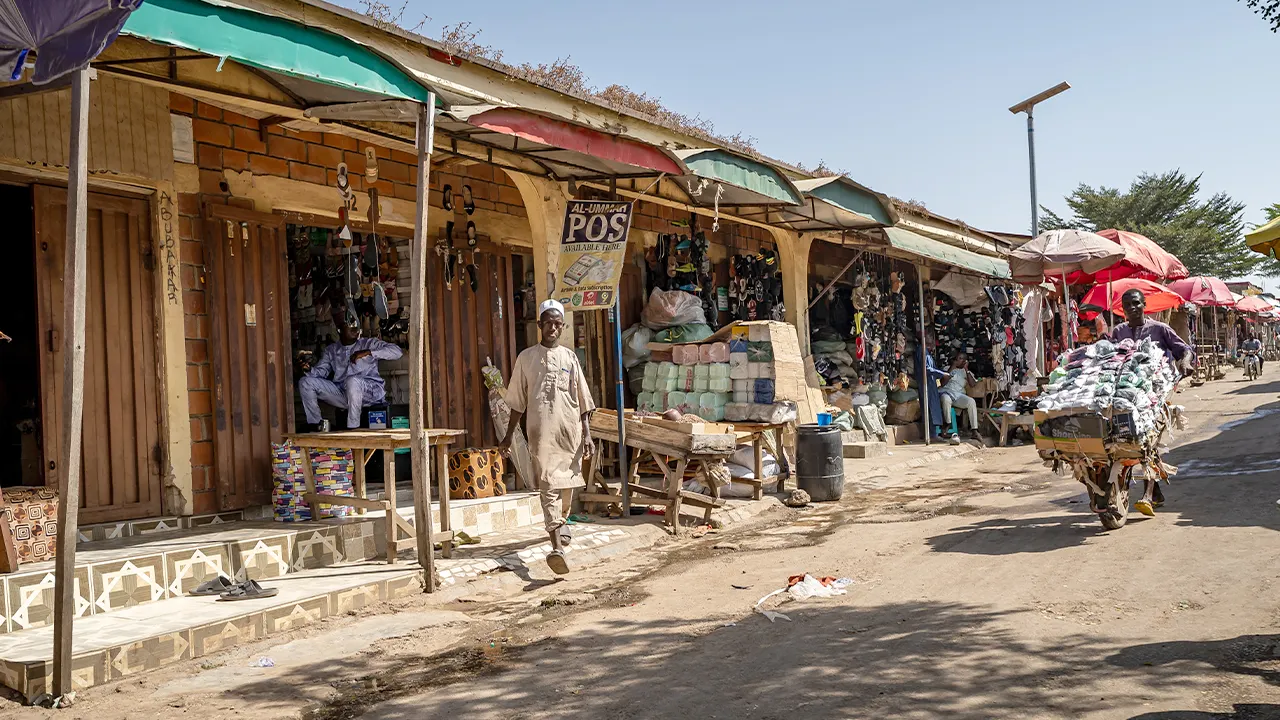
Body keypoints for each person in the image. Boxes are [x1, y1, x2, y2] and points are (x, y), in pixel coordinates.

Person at [499, 299, 595, 575]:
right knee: (547, 484)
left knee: (565, 483)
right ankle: (557, 547)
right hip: (540, 434)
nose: (552, 328)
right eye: (548, 323)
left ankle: (561, 523)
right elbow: (517, 402)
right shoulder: (526, 358)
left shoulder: (570, 358)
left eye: (557, 324)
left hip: (569, 433)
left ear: (562, 327)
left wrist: (587, 435)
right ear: (539, 325)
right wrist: (508, 436)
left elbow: (583, 399)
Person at [1107, 288, 1193, 516]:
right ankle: (1154, 493)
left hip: (1155, 394)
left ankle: (1147, 495)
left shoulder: (1160, 329)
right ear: (1122, 309)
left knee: (1148, 441)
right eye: (1127, 306)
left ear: (1144, 304)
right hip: (1125, 393)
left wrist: (1185, 362)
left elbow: (1185, 349)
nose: (1132, 308)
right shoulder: (1118, 331)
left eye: (1136, 303)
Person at [298, 320, 402, 431]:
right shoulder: (331, 350)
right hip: (344, 395)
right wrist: (309, 369)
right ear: (339, 330)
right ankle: (316, 425)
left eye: (356, 326)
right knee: (305, 382)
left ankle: (354, 428)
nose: (355, 328)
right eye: (349, 326)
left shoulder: (368, 343)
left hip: (371, 394)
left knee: (352, 381)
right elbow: (321, 372)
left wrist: (368, 352)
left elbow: (397, 352)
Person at [939, 352, 979, 444]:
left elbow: (972, 384)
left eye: (961, 358)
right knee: (945, 398)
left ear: (965, 361)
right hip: (947, 392)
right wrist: (952, 367)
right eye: (957, 358)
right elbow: (942, 383)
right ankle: (947, 424)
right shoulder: (947, 369)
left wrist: (966, 370)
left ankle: (974, 430)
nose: (958, 360)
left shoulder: (966, 372)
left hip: (958, 396)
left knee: (971, 401)